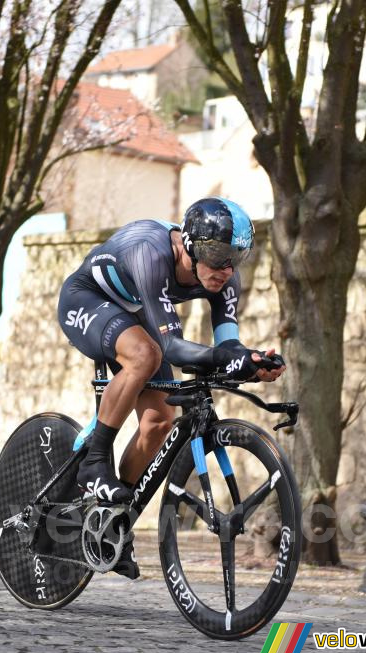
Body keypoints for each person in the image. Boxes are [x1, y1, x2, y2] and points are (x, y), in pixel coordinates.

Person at [56, 197, 285, 576]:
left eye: (235, 257)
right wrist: (229, 358)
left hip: (134, 312)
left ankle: (112, 519)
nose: (225, 268)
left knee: (160, 423)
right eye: (216, 254)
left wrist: (250, 362)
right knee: (144, 355)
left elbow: (227, 347)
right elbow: (175, 350)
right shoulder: (152, 251)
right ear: (190, 245)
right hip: (87, 300)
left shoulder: (225, 278)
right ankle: (94, 463)